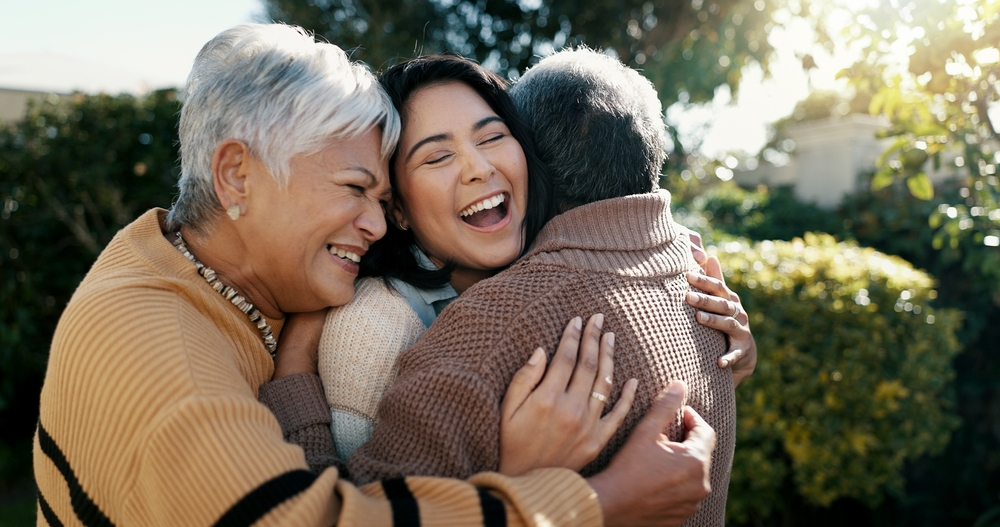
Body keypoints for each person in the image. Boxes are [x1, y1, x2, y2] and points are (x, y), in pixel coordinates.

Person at [33, 23, 717, 527]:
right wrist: (595, 499)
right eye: (356, 189)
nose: (375, 222)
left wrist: (689, 286)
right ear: (237, 174)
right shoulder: (161, 348)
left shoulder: (218, 278)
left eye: (379, 197)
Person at [341, 48, 751, 527]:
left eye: (493, 136)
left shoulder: (686, 283)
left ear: (533, 156)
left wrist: (732, 362)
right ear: (398, 209)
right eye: (437, 155)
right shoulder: (377, 327)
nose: (477, 168)